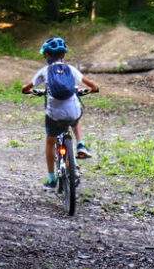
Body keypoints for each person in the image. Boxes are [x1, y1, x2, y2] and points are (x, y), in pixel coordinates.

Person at [21, 36, 99, 188]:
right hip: (73, 112)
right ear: (63, 55)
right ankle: (81, 145)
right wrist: (91, 90)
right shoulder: (71, 69)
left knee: (50, 141)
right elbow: (94, 86)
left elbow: (25, 88)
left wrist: (30, 90)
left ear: (47, 55)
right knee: (76, 118)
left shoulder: (44, 71)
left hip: (54, 115)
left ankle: (51, 178)